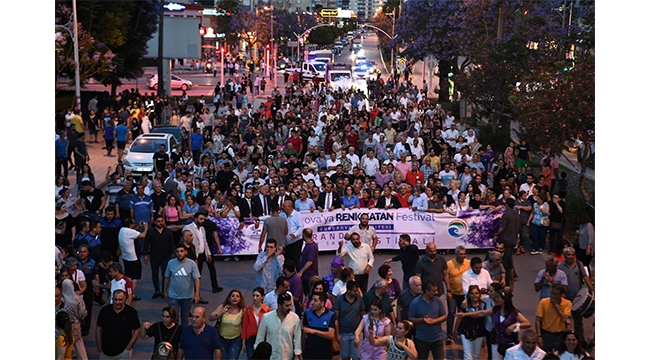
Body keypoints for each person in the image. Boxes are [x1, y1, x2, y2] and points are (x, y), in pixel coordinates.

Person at [455, 286, 531, 360]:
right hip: (496, 341)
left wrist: (515, 325)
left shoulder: (514, 313)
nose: (495, 299)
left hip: (509, 343)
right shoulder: (495, 309)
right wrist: (465, 314)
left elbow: (527, 323)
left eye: (498, 298)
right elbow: (481, 313)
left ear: (504, 300)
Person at [556, 247, 594, 345]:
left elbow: (585, 277)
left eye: (573, 254)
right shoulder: (560, 267)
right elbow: (557, 283)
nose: (571, 257)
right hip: (565, 299)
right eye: (569, 255)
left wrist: (593, 290)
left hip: (577, 298)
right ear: (564, 256)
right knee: (564, 320)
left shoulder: (578, 264)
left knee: (578, 320)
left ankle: (580, 340)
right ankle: (563, 341)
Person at [163, 243, 202, 328]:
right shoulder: (171, 263)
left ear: (186, 252)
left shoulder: (192, 264)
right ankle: (174, 336)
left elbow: (197, 279)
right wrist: (165, 291)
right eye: (177, 251)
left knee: (185, 318)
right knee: (174, 318)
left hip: (187, 297)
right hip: (173, 296)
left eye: (181, 251)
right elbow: (166, 277)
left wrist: (197, 294)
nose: (179, 253)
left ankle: (184, 336)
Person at [183, 209, 220, 298]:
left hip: (202, 253)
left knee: (198, 275)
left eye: (203, 219)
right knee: (195, 275)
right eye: (201, 219)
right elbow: (186, 243)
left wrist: (208, 253)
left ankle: (197, 294)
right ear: (195, 219)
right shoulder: (188, 228)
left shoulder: (202, 228)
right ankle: (193, 294)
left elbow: (204, 241)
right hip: (193, 255)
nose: (203, 221)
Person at [255, 293, 302, 360]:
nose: (289, 308)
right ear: (279, 305)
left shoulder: (294, 318)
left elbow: (297, 338)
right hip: (271, 357)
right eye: (287, 305)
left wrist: (297, 354)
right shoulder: (267, 317)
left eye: (290, 305)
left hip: (287, 357)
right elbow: (260, 337)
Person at [96, 289, 141, 360]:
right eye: (115, 299)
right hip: (105, 352)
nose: (117, 302)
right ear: (112, 299)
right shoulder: (105, 311)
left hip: (123, 353)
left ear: (125, 300)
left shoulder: (131, 312)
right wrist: (100, 348)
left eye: (120, 300)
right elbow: (98, 328)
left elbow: (137, 329)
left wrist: (128, 348)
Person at [408, 281, 447, 360]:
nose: (436, 292)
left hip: (437, 338)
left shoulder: (438, 301)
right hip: (422, 339)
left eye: (436, 290)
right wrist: (423, 320)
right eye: (434, 291)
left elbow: (444, 316)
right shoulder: (415, 302)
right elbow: (411, 318)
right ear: (426, 291)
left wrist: (434, 321)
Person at [415, 243, 450, 326]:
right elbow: (418, 278)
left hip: (440, 293)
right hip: (427, 294)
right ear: (426, 250)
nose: (433, 253)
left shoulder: (441, 260)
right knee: (429, 314)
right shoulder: (420, 262)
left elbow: (445, 275)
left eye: (435, 251)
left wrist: (448, 290)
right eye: (431, 251)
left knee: (442, 315)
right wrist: (419, 292)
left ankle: (442, 334)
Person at [452, 285, 489, 360]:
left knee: (476, 355)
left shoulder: (483, 305)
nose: (474, 295)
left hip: (479, 332)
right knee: (467, 356)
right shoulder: (465, 305)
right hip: (466, 332)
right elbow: (460, 318)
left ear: (479, 294)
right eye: (472, 293)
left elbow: (486, 320)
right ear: (468, 295)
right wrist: (455, 330)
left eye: (476, 293)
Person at [143, 215, 175, 299]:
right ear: (155, 222)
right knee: (154, 274)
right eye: (158, 221)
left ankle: (164, 291)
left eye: (161, 221)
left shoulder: (168, 231)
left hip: (166, 256)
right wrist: (145, 255)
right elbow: (146, 243)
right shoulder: (151, 231)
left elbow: (171, 244)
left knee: (165, 274)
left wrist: (173, 256)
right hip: (154, 256)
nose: (160, 223)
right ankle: (157, 291)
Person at [333, 280, 366, 360]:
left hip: (357, 334)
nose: (357, 293)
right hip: (343, 333)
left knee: (357, 357)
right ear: (348, 290)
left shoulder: (359, 299)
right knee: (345, 357)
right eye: (355, 291)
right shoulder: (339, 300)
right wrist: (337, 334)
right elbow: (336, 319)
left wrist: (364, 332)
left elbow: (364, 316)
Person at [535, 284, 572, 353]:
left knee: (560, 354)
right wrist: (539, 335)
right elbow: (538, 320)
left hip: (560, 335)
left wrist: (555, 305)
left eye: (555, 294)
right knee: (544, 355)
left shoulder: (567, 303)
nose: (552, 296)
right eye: (551, 293)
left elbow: (564, 318)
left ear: (561, 295)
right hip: (546, 334)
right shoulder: (543, 302)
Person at [209, 290, 246, 360]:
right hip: (222, 339)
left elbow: (244, 327)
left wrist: (244, 343)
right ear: (229, 298)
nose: (235, 298)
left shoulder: (243, 311)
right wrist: (221, 313)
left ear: (240, 299)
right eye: (233, 296)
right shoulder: (223, 306)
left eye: (237, 296)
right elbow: (211, 317)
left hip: (235, 340)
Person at [446, 245, 471, 345]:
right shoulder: (449, 264)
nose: (463, 256)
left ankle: (460, 332)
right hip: (453, 294)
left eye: (464, 254)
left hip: (465, 295)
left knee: (464, 314)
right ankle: (449, 334)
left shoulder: (469, 263)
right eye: (461, 254)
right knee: (452, 313)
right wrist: (448, 288)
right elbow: (445, 275)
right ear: (456, 254)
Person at [118, 217, 148, 301]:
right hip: (133, 258)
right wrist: (145, 228)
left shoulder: (122, 230)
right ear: (130, 224)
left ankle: (126, 290)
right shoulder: (129, 232)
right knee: (135, 277)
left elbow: (133, 232)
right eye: (133, 223)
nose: (135, 224)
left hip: (125, 257)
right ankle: (131, 293)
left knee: (128, 275)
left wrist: (138, 227)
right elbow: (143, 235)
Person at [302, 291, 337, 360]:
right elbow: (304, 330)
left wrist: (314, 331)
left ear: (322, 303)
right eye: (312, 299)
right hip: (309, 352)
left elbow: (330, 335)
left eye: (315, 300)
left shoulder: (331, 315)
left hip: (325, 353)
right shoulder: (308, 312)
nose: (312, 303)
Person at [61, 279, 89, 360]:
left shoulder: (61, 298)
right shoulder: (77, 298)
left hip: (63, 328)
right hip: (76, 327)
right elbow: (82, 314)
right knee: (80, 350)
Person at [493, 198, 519, 286]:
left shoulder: (506, 214)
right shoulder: (516, 214)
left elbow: (503, 227)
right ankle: (512, 272)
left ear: (507, 205)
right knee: (510, 255)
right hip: (513, 238)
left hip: (507, 238)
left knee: (506, 257)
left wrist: (497, 234)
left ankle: (509, 272)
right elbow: (519, 227)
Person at [242, 287, 271, 359]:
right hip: (250, 338)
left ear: (262, 297)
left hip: (262, 338)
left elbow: (269, 326)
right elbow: (245, 326)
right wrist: (243, 343)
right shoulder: (248, 310)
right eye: (253, 295)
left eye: (257, 296)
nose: (255, 298)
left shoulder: (267, 310)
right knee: (251, 357)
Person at [281, 200, 304, 269]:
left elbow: (301, 227)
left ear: (290, 207)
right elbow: (272, 217)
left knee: (296, 261)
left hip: (296, 242)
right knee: (287, 261)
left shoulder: (297, 215)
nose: (282, 207)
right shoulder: (282, 215)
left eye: (284, 206)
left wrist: (295, 234)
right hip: (287, 244)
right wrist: (259, 218)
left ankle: (299, 277)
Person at [298, 228, 319, 295]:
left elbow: (310, 261)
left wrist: (301, 272)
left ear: (303, 235)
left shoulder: (311, 247)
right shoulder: (311, 245)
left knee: (309, 293)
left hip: (309, 276)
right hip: (308, 275)